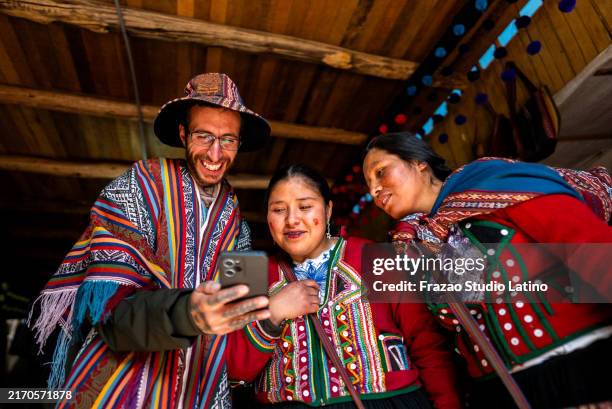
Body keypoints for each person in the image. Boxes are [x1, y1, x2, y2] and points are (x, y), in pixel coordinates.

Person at [29, 73, 273, 408]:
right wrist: (188, 314)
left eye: (228, 140)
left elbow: (242, 321)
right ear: (183, 133)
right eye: (204, 136)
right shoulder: (137, 187)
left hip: (202, 392)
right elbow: (111, 316)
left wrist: (270, 309)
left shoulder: (237, 224)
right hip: (124, 386)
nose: (216, 153)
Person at [362, 132, 612, 409]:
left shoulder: (493, 184)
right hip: (500, 393)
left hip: (583, 371)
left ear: (418, 162)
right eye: (369, 184)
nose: (374, 190)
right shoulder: (415, 246)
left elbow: (591, 249)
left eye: (380, 172)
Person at [227, 164, 462, 409]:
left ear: (328, 210)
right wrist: (272, 314)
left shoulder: (375, 257)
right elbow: (233, 372)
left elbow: (427, 344)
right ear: (267, 217)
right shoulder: (251, 275)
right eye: (278, 210)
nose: (292, 220)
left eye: (305, 207)